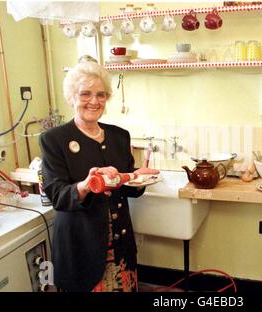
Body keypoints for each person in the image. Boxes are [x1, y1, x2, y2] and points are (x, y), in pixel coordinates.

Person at [39, 58, 158, 292]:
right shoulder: (54, 140)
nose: (94, 101)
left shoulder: (119, 136)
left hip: (119, 243)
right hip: (80, 245)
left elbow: (126, 187)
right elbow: (57, 195)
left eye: (101, 94)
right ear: (72, 97)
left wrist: (138, 178)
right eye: (85, 94)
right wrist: (84, 186)